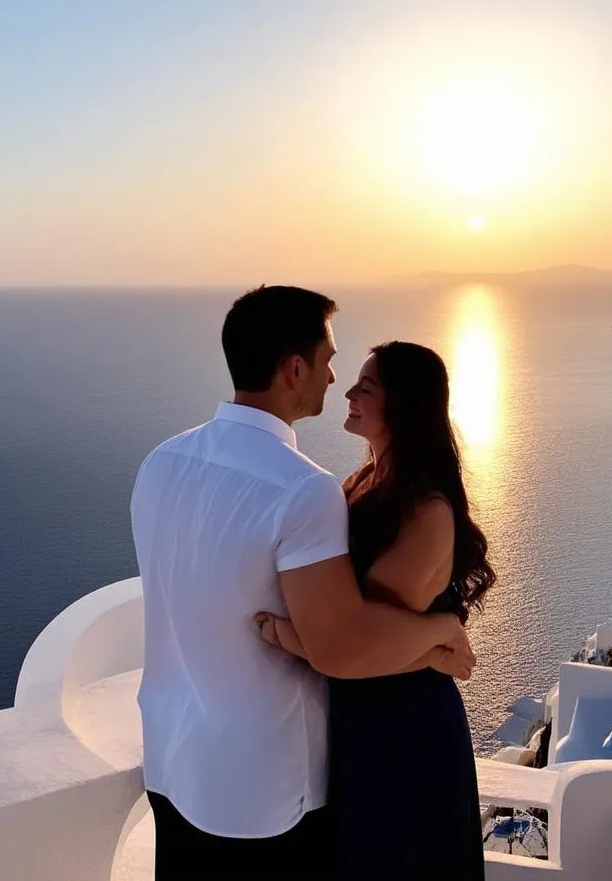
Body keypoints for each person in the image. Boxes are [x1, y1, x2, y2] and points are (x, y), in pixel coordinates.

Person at [130, 287, 474, 880]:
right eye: (328, 359)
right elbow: (342, 645)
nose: (336, 378)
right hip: (263, 786)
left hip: (174, 760)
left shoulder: (162, 460)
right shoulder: (303, 488)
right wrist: (444, 629)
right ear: (295, 368)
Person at [258, 340, 495, 880]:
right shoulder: (364, 483)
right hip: (366, 714)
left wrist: (283, 635)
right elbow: (374, 635)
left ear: (403, 405)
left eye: (367, 387)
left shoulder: (426, 510)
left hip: (404, 727)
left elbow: (364, 644)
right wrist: (439, 636)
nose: (349, 392)